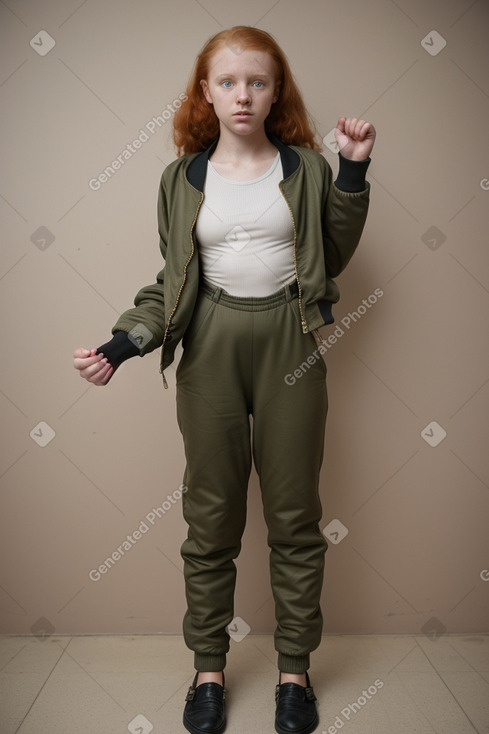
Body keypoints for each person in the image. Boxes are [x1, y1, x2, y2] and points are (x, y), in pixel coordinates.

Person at [73, 25, 376, 734]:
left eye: (259, 81)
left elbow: (331, 251)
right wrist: (121, 345)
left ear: (277, 91)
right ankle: (207, 669)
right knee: (210, 520)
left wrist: (353, 170)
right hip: (208, 345)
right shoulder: (181, 179)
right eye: (228, 81)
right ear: (205, 92)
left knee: (295, 516)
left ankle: (294, 674)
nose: (243, 94)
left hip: (288, 343)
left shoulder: (304, 166)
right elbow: (170, 282)